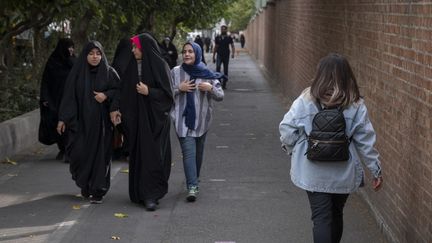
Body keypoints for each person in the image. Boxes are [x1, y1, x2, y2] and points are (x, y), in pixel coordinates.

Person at [279, 53, 383, 243]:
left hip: (312, 170)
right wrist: (375, 169)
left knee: (321, 218)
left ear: (320, 74)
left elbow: (287, 128)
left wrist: (293, 149)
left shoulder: (306, 99)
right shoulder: (355, 103)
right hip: (343, 171)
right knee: (336, 214)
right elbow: (365, 141)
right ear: (347, 75)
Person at [57, 41, 121, 204]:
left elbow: (119, 91)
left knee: (100, 156)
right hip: (80, 124)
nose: (95, 57)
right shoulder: (77, 73)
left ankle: (98, 190)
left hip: (101, 126)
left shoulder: (109, 73)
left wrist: (105, 95)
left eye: (98, 53)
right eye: (91, 53)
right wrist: (63, 118)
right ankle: (86, 184)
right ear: (85, 55)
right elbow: (69, 96)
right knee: (79, 154)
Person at [122, 33, 173, 211]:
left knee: (153, 157)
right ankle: (140, 193)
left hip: (155, 122)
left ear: (144, 48)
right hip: (137, 120)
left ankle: (152, 195)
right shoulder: (131, 66)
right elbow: (124, 92)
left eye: (136, 47)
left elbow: (168, 96)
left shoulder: (160, 65)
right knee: (140, 157)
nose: (133, 50)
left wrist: (148, 91)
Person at [171, 42, 224, 202]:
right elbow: (164, 93)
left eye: (190, 52)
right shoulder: (175, 72)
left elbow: (220, 96)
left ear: (197, 54)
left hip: (202, 122)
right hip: (182, 121)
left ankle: (195, 177)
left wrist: (210, 88)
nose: (187, 54)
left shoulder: (206, 73)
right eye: (185, 51)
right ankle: (192, 186)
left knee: (198, 154)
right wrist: (179, 88)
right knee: (189, 153)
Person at [39, 38, 75, 161]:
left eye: (72, 47)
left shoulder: (74, 62)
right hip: (55, 99)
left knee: (69, 124)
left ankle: (68, 149)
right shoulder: (53, 62)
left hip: (71, 100)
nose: (71, 49)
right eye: (68, 47)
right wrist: (44, 97)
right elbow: (46, 81)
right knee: (56, 123)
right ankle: (62, 148)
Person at [213, 25, 235, 89]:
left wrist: (233, 53)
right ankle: (218, 82)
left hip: (226, 55)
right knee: (218, 67)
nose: (223, 30)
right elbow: (216, 47)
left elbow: (232, 45)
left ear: (226, 30)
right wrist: (213, 56)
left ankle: (224, 83)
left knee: (225, 69)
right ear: (221, 30)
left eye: (224, 29)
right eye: (222, 29)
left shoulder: (229, 37)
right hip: (219, 55)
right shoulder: (217, 37)